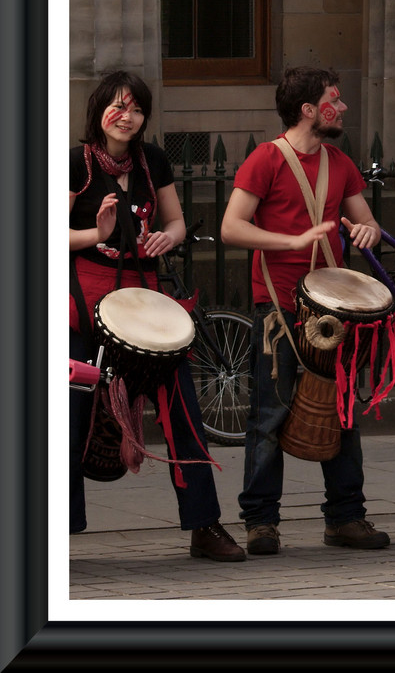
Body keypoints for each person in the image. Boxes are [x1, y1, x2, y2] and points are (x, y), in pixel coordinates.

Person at [70, 70, 245, 561]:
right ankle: (55, 533)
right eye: (118, 106)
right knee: (67, 420)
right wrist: (95, 231)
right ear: (100, 109)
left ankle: (205, 526)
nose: (127, 116)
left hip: (147, 310)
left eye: (137, 108)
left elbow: (174, 221)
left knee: (184, 413)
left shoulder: (152, 161)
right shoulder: (75, 165)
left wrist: (171, 235)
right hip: (86, 310)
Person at [220, 66, 390, 555]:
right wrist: (291, 240)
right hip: (277, 307)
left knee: (341, 412)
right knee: (269, 415)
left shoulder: (340, 163)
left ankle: (345, 517)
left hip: (331, 309)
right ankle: (260, 521)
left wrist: (367, 232)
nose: (343, 107)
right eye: (334, 99)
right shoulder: (265, 159)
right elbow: (233, 228)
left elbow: (368, 222)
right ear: (309, 109)